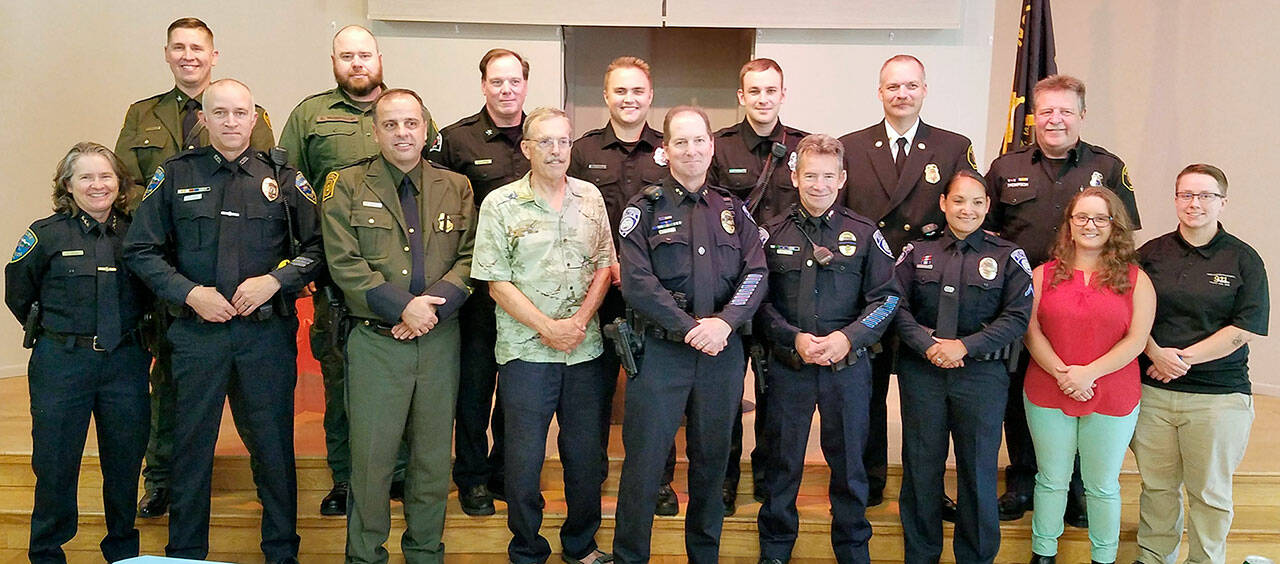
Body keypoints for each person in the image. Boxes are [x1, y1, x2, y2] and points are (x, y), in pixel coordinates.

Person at [123, 79, 321, 563]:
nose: (231, 122)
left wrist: (275, 282)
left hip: (265, 336)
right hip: (197, 335)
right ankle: (186, 553)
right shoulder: (173, 175)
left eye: (240, 113)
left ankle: (281, 551)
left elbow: (319, 250)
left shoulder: (285, 178)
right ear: (203, 120)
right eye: (221, 113)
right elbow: (140, 249)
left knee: (273, 450)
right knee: (190, 450)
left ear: (254, 119)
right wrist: (189, 293)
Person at [113, 16, 275, 519]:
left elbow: (263, 186)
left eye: (198, 48)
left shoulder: (250, 111)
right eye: (179, 48)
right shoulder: (142, 114)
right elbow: (123, 184)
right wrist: (181, 207)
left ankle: (265, 480)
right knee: (169, 383)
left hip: (231, 271)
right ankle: (160, 477)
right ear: (166, 54)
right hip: (168, 272)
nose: (189, 56)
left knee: (256, 400)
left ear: (213, 54)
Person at [278, 23, 432, 516]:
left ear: (379, 58)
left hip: (409, 276)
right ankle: (345, 476)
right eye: (347, 56)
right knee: (341, 378)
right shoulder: (310, 116)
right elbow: (289, 191)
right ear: (334, 61)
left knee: (410, 377)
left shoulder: (411, 108)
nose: (357, 63)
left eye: (365, 54)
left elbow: (433, 187)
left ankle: (403, 474)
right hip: (339, 273)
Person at [321, 88, 474, 564]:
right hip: (375, 341)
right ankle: (365, 556)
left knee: (431, 463)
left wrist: (430, 309)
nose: (402, 132)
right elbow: (343, 263)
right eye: (391, 124)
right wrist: (402, 307)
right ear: (375, 130)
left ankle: (426, 552)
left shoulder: (457, 186)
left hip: (439, 338)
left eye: (411, 123)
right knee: (372, 462)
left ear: (426, 129)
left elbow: (471, 258)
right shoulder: (344, 185)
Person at [612, 106, 768, 564]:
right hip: (661, 353)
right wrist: (690, 329)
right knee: (643, 467)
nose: (691, 150)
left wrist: (724, 323)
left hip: (722, 353)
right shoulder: (643, 210)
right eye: (680, 142)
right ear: (664, 151)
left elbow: (756, 273)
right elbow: (638, 283)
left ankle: (705, 556)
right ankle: (629, 556)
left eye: (699, 140)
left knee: (711, 466)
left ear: (711, 145)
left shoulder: (732, 209)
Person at [986, 74, 1141, 525]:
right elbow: (989, 233)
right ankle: (1022, 479)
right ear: (1035, 116)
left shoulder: (1108, 167)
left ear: (1082, 116)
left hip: (1087, 301)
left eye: (1065, 111)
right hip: (1024, 301)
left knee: (1079, 387)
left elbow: (1125, 236)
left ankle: (1074, 487)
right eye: (1047, 111)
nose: (1055, 119)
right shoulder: (1003, 168)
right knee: (1021, 392)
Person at [473, 107, 615, 564]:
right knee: (523, 459)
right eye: (546, 142)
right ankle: (528, 548)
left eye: (564, 141)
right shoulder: (500, 204)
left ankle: (581, 544)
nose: (557, 151)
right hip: (525, 352)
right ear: (526, 148)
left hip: (585, 350)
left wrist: (577, 323)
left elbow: (605, 266)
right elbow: (496, 281)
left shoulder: (591, 197)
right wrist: (548, 327)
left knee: (585, 458)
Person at [755, 134, 902, 564]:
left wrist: (848, 338)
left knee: (851, 468)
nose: (818, 184)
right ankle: (776, 549)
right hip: (790, 366)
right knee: (782, 465)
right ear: (795, 176)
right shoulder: (772, 232)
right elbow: (756, 301)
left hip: (847, 369)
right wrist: (793, 337)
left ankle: (853, 550)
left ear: (841, 178)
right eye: (810, 175)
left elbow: (887, 298)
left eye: (827, 176)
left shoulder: (865, 232)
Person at [839, 54, 977, 508]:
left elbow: (967, 211)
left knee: (926, 401)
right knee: (868, 392)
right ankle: (870, 479)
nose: (902, 94)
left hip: (930, 290)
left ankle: (927, 490)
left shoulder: (954, 146)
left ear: (924, 89)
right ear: (880, 92)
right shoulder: (852, 146)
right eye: (893, 87)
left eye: (911, 86)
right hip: (871, 288)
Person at [6, 143, 151, 564]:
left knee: (124, 464)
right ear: (67, 185)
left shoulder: (136, 233)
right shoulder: (45, 234)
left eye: (105, 176)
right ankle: (47, 551)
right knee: (55, 464)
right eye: (85, 177)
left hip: (124, 362)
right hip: (62, 363)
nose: (97, 185)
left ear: (119, 183)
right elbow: (18, 291)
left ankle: (122, 550)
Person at [892, 170, 1032, 564]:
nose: (966, 209)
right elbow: (893, 304)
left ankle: (976, 557)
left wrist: (964, 348)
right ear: (943, 203)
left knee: (978, 471)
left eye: (976, 202)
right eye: (958, 200)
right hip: (924, 373)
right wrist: (928, 345)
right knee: (921, 469)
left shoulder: (1008, 256)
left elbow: (1017, 317)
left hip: (981, 376)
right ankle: (921, 556)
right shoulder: (916, 252)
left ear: (987, 206)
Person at [1134, 164, 1269, 564]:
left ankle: (1206, 560)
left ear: (1222, 202)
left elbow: (1244, 329)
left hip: (1218, 396)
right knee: (1157, 488)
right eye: (1186, 194)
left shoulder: (1243, 258)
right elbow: (1127, 314)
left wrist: (1181, 359)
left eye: (1205, 196)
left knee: (1209, 492)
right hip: (1154, 393)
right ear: (1176, 199)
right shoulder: (1150, 254)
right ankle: (1154, 557)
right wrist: (1155, 353)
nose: (1195, 203)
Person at [1021, 187, 1155, 564]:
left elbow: (1137, 339)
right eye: (1081, 217)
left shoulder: (1136, 279)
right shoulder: (1043, 276)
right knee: (1051, 479)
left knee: (1101, 486)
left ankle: (1104, 558)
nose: (1090, 226)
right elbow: (1031, 332)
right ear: (1069, 224)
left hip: (1113, 393)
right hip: (1049, 387)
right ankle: (1043, 553)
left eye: (1100, 218)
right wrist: (1063, 374)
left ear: (1115, 226)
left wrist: (1088, 374)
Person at [427, 48, 532, 515]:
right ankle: (470, 477)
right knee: (473, 390)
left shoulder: (543, 136)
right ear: (483, 85)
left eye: (514, 81)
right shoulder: (456, 140)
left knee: (518, 390)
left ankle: (506, 472)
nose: (506, 90)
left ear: (526, 85)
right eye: (497, 81)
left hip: (532, 294)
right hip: (477, 291)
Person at [566, 57, 672, 512]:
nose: (630, 100)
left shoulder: (669, 151)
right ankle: (593, 477)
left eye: (638, 92)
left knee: (656, 394)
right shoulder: (581, 151)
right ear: (606, 96)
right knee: (593, 395)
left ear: (650, 96)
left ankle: (659, 483)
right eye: (620, 92)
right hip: (598, 296)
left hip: (654, 296)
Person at [706, 57, 808, 515]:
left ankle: (767, 474)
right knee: (726, 391)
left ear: (783, 94)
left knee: (778, 392)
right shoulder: (719, 148)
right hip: (730, 290)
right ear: (741, 96)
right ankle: (724, 478)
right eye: (755, 91)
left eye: (772, 91)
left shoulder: (804, 147)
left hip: (786, 292)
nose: (763, 99)